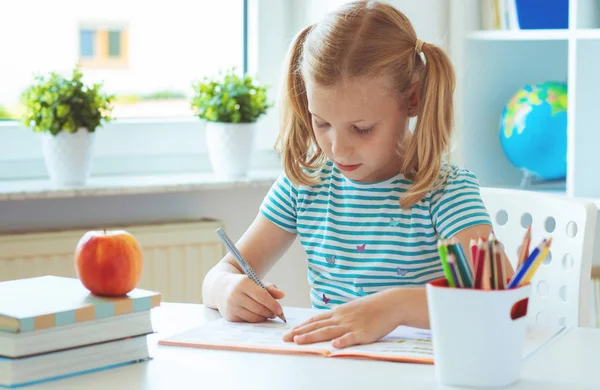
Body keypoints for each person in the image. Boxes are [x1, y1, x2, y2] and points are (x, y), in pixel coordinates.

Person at [202, 0, 513, 349]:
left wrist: (395, 307)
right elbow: (221, 274)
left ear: (412, 101)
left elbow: (496, 291)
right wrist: (226, 289)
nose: (338, 149)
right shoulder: (303, 185)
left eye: (362, 128)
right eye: (322, 123)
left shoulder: (444, 192)